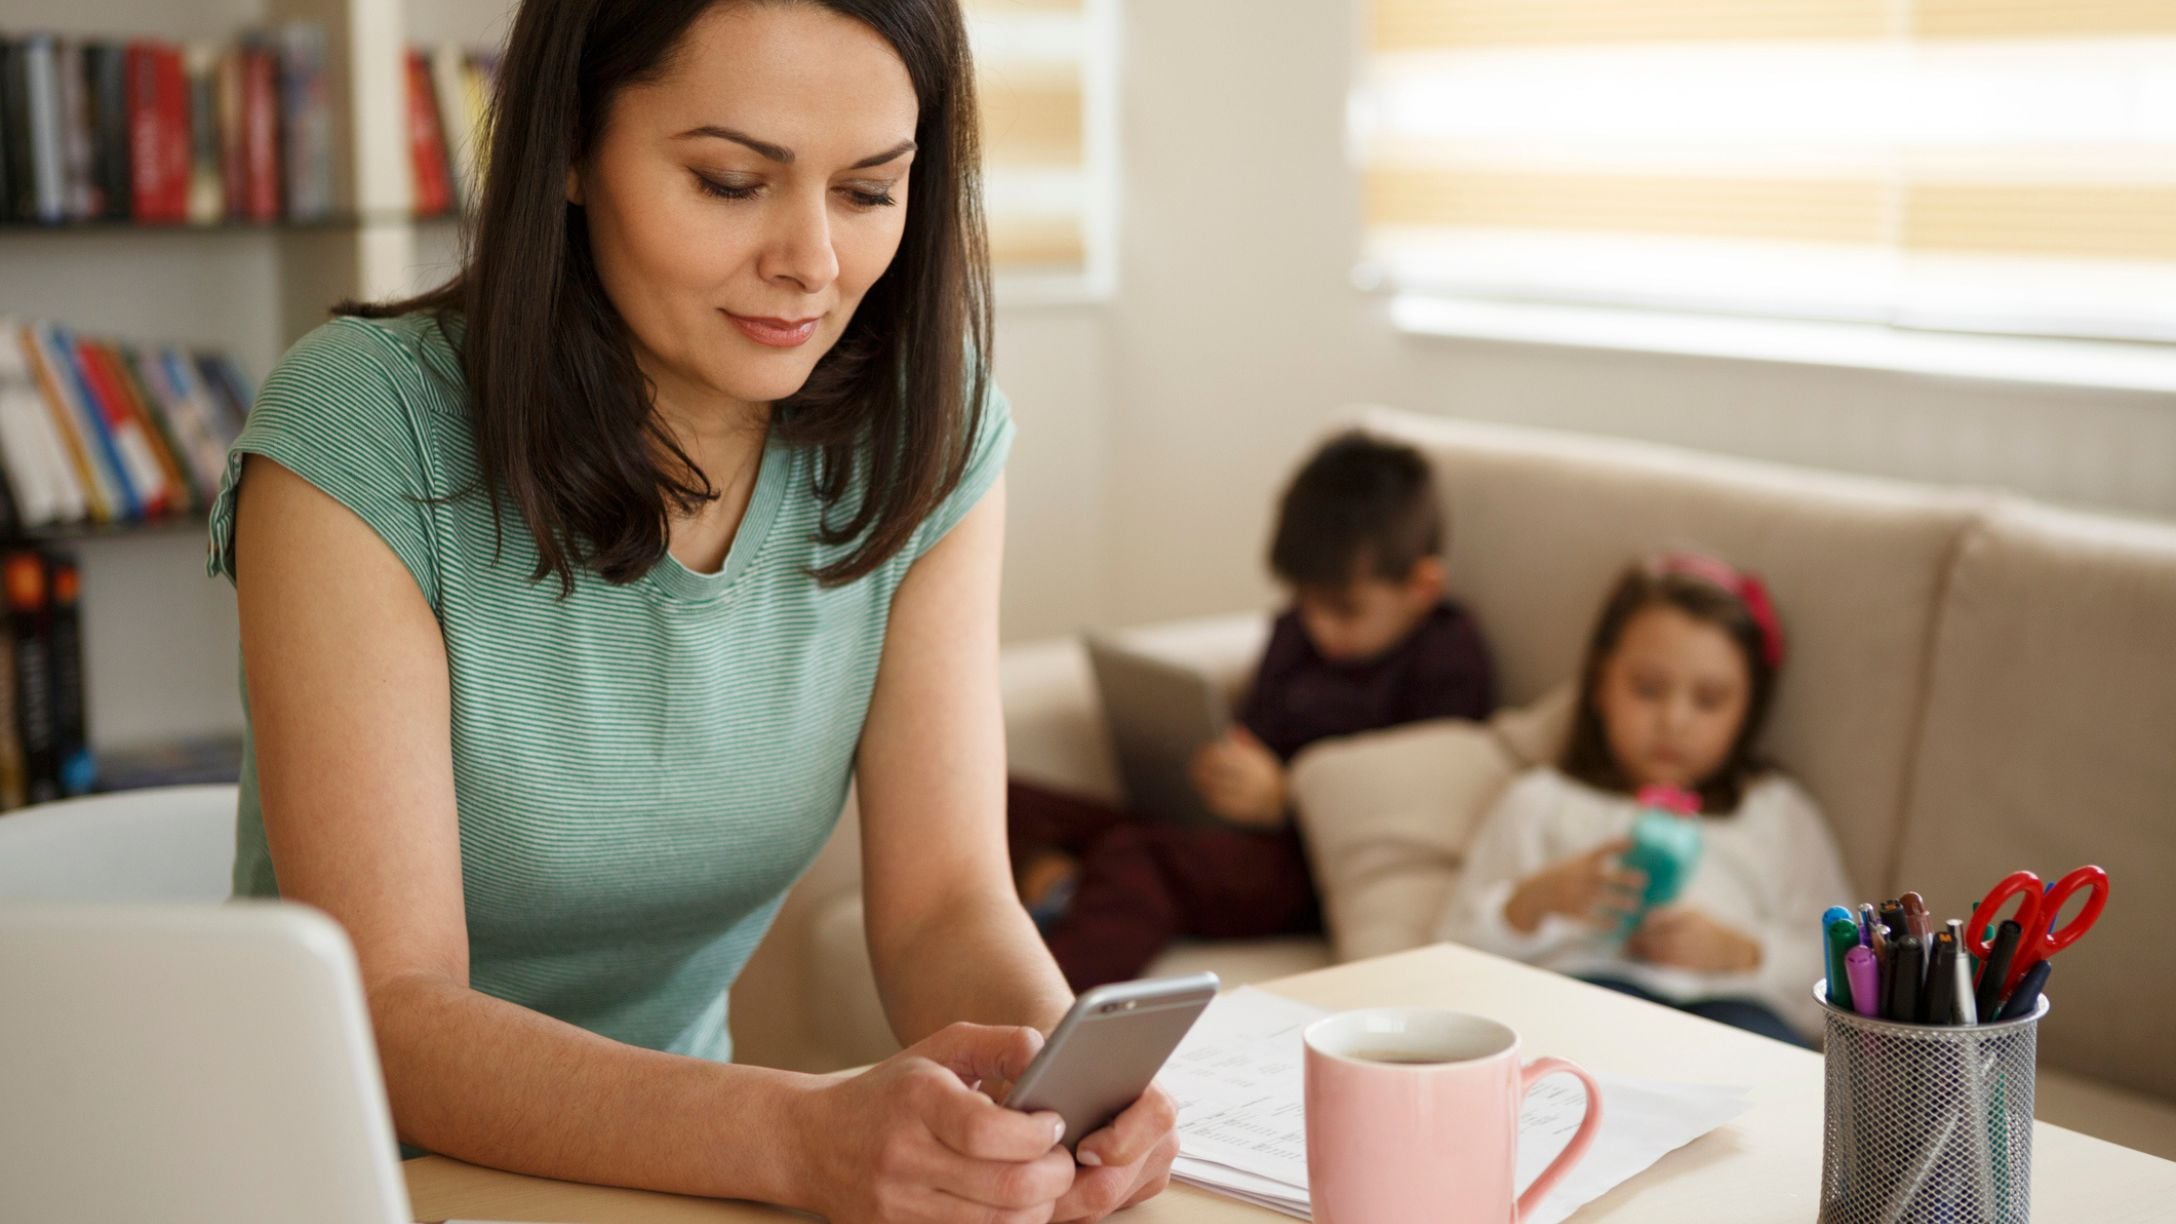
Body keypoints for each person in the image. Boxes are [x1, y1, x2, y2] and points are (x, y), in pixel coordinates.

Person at [209, 1, 1174, 1219]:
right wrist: (800, 1138)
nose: (812, 262)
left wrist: (1058, 1094)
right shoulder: (361, 430)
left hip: (676, 1179)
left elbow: (945, 906)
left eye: (869, 190)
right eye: (730, 182)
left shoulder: (924, 431)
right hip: (342, 1176)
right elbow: (391, 1011)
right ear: (570, 147)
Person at [1013, 432, 1498, 989]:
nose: (1319, 626)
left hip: (1310, 865)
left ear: (1422, 585)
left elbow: (1420, 808)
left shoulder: (1447, 659)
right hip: (1228, 832)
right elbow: (1256, 727)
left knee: (1138, 857)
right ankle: (1070, 890)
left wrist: (1288, 798)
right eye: (1305, 601)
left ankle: (1040, 1011)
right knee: (1002, 799)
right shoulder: (1295, 633)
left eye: (1345, 610)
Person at [1438, 553, 1854, 1044]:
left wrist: (1741, 954)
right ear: (1600, 683)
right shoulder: (1541, 801)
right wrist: (1536, 902)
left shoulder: (1775, 812)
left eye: (1709, 700)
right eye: (1648, 689)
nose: (1673, 720)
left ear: (1749, 709)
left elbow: (1844, 971)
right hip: (1588, 997)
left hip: (1736, 1015)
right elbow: (1449, 957)